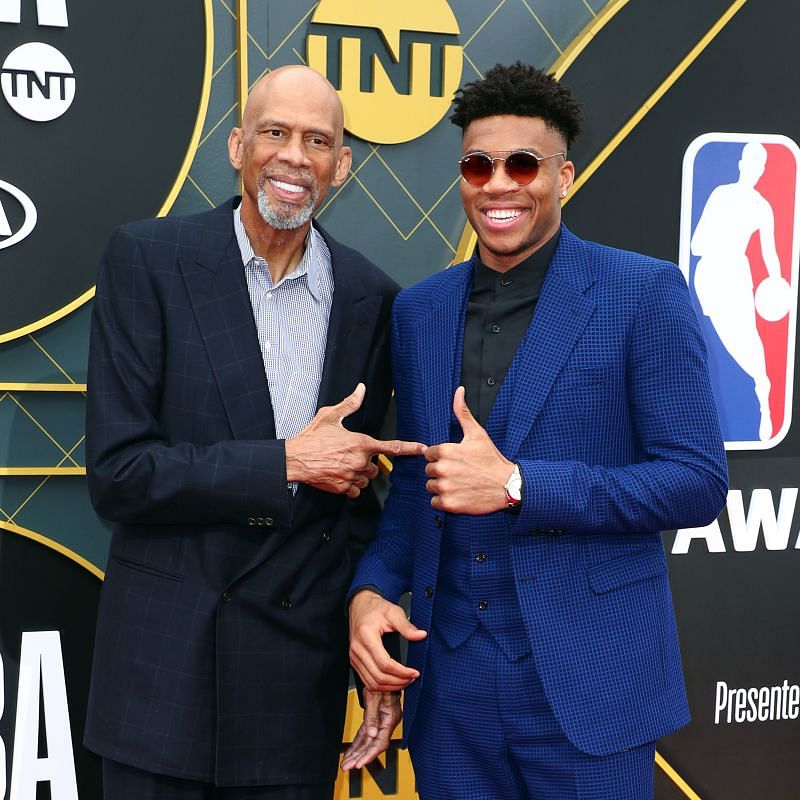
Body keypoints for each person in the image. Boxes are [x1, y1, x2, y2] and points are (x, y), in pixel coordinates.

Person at [342, 62, 728, 800]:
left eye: (523, 163)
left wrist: (519, 485)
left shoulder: (643, 294)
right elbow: (414, 496)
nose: (498, 184)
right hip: (447, 688)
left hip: (591, 687)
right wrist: (370, 591)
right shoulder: (420, 311)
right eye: (478, 165)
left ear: (565, 176)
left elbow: (696, 481)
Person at [84, 64, 423, 800]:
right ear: (237, 145)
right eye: (275, 132)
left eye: (317, 140)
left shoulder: (373, 299)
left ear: (342, 165)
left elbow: (362, 509)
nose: (294, 155)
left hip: (291, 700)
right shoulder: (150, 261)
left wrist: (373, 651)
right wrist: (286, 464)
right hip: (161, 688)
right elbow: (119, 474)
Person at [689, 140, 787, 441]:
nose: (755, 169)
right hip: (708, 277)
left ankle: (763, 394)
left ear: (762, 170)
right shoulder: (721, 195)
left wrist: (777, 282)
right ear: (743, 164)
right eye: (752, 162)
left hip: (736, 277)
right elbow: (696, 244)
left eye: (761, 165)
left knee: (749, 343)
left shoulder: (762, 206)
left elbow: (770, 252)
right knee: (707, 344)